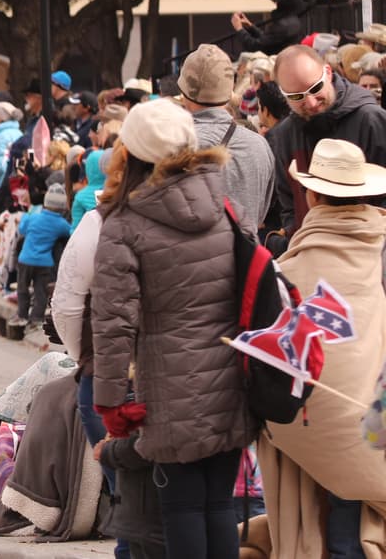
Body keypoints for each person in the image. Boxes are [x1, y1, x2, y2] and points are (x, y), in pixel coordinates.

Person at [92, 99, 253, 559]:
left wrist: (109, 400)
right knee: (219, 504)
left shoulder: (124, 224)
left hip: (167, 382)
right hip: (229, 374)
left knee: (180, 508)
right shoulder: (223, 206)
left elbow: (113, 320)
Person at [255, 138, 386, 558]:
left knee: (326, 507)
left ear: (311, 195)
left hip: (311, 419)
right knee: (349, 503)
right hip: (371, 414)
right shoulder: (379, 247)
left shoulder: (291, 265)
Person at [267, 43, 386, 237]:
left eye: (315, 88)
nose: (311, 103)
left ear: (328, 73)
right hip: (311, 252)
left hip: (372, 252)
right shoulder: (284, 135)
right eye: (297, 96)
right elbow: (288, 204)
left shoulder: (371, 120)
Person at [177, 43, 276, 235]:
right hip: (249, 259)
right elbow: (262, 212)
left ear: (184, 91)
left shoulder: (175, 144)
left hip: (190, 260)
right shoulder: (259, 145)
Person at [13, 183, 71, 330]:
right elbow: (69, 233)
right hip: (45, 263)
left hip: (25, 259)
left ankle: (21, 315)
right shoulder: (61, 224)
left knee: (22, 289)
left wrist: (27, 215)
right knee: (41, 292)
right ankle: (36, 318)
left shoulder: (34, 218)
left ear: (45, 203)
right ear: (63, 207)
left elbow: (22, 229)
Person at [231, 0, 304, 56]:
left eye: (278, 2)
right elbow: (267, 39)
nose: (275, 4)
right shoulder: (294, 22)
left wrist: (239, 29)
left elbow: (254, 46)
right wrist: (250, 26)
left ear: (284, 5)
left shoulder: (282, 25)